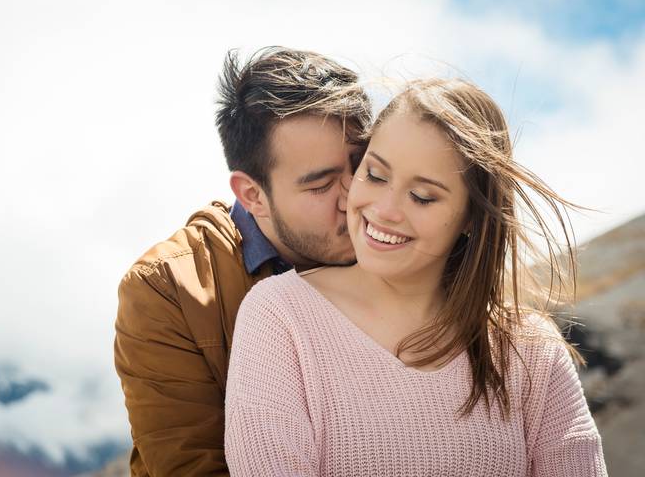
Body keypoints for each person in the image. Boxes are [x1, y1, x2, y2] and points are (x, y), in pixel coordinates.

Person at [225, 78, 608, 476]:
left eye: (422, 196)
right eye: (374, 175)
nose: (385, 209)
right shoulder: (280, 316)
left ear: (472, 218)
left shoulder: (531, 351)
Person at [114, 47, 372, 476]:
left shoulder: (401, 241)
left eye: (363, 167)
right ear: (252, 194)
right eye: (322, 185)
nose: (356, 200)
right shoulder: (168, 291)